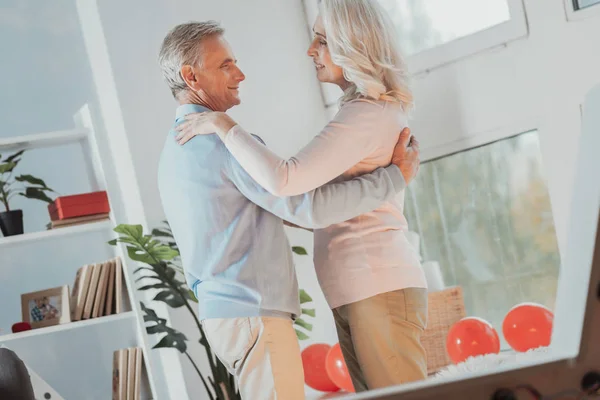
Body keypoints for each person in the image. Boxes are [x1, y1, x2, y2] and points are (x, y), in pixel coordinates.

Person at [157, 21, 421, 399]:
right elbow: (305, 207)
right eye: (226, 65)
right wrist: (394, 177)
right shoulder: (223, 144)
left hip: (227, 313)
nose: (240, 74)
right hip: (252, 310)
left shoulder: (175, 149)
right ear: (190, 76)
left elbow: (273, 212)